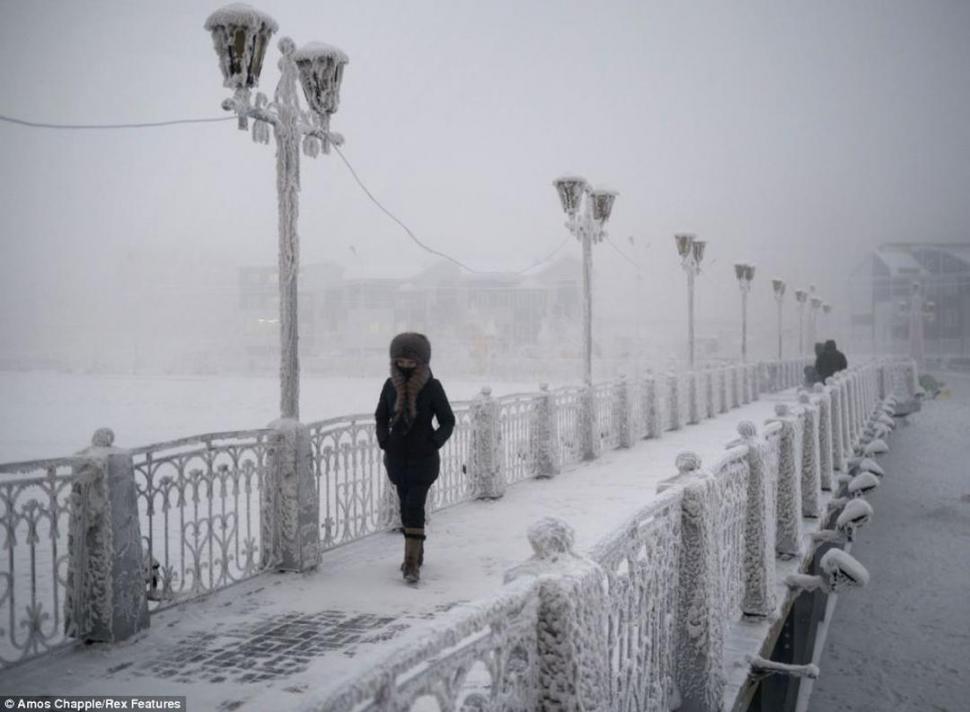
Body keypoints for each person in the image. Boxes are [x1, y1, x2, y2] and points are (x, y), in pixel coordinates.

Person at [375, 332, 455, 584]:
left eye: (411, 362)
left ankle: (410, 564)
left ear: (422, 361)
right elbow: (380, 416)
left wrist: (433, 442)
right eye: (401, 362)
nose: (406, 366)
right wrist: (384, 440)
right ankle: (417, 552)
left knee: (414, 505)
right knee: (404, 507)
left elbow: (447, 421)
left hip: (423, 459)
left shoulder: (433, 387)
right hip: (397, 458)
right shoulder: (390, 386)